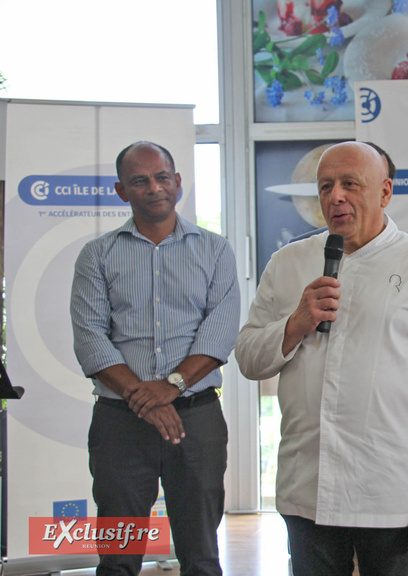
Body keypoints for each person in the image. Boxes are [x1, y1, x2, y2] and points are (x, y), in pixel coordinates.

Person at [235, 141, 408, 576]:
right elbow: (249, 358)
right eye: (326, 186)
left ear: (385, 192)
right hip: (306, 485)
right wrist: (294, 324)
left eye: (350, 184)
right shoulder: (289, 262)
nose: (336, 197)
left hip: (388, 490)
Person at [71, 141, 241, 576]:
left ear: (178, 183)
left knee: (202, 554)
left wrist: (169, 389)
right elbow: (91, 338)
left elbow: (219, 334)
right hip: (120, 424)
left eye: (162, 177)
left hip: (197, 420)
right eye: (139, 180)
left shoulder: (216, 250)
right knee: (118, 556)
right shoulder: (97, 256)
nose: (154, 188)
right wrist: (141, 397)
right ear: (121, 191)